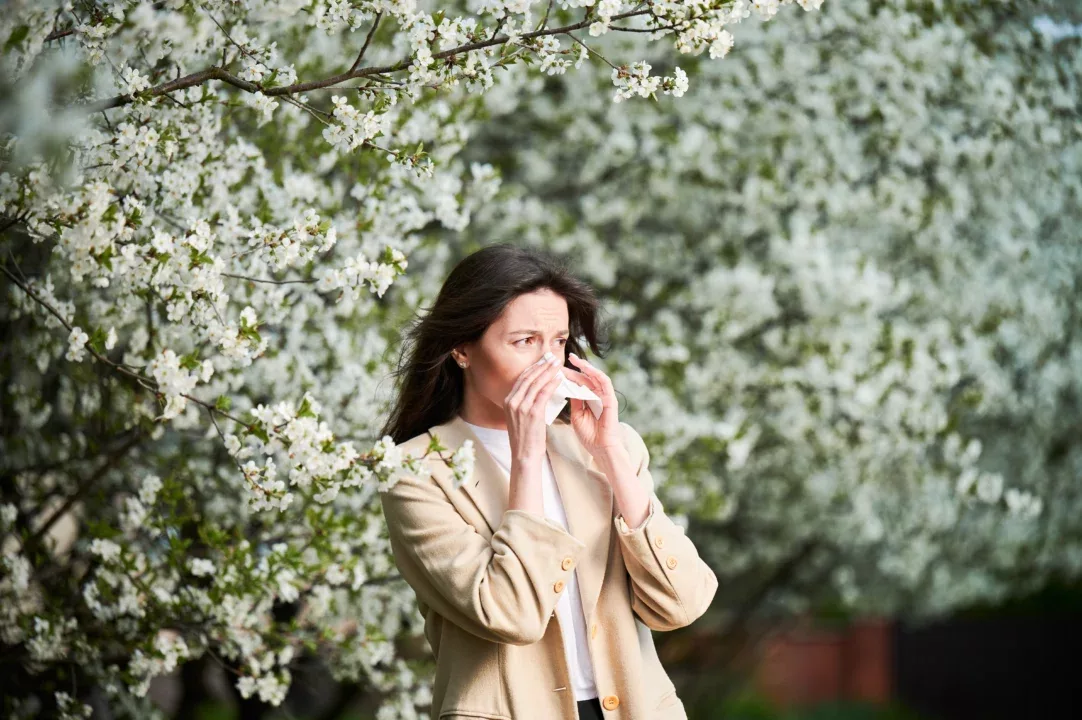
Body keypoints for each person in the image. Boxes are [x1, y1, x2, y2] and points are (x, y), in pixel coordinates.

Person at [379, 244, 718, 720]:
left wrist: (611, 455)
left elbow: (682, 603)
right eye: (524, 341)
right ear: (461, 348)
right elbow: (510, 614)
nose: (547, 363)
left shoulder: (610, 448)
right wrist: (526, 453)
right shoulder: (415, 472)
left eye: (557, 342)